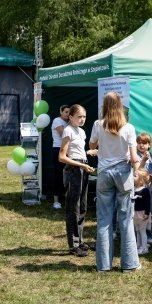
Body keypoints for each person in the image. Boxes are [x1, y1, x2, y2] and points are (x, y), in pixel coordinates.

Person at [89, 92, 141, 273]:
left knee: (104, 219)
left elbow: (92, 146)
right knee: (125, 219)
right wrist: (137, 171)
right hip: (123, 173)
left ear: (104, 105)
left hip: (104, 173)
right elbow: (134, 156)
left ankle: (103, 265)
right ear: (120, 105)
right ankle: (129, 264)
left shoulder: (98, 124)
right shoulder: (128, 127)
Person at [58, 105, 96, 257]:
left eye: (84, 117)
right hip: (74, 170)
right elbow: (62, 156)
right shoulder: (68, 130)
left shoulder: (81, 131)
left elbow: (78, 151)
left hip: (82, 168)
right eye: (79, 116)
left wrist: (89, 152)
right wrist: (82, 165)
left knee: (82, 206)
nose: (82, 119)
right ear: (71, 116)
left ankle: (79, 240)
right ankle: (73, 244)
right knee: (73, 208)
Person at [136, 132, 152, 245]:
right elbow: (138, 171)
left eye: (144, 143)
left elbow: (151, 172)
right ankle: (139, 236)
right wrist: (144, 161)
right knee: (141, 212)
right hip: (141, 189)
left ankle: (148, 235)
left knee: (149, 211)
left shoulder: (150, 155)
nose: (141, 145)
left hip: (150, 187)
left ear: (149, 145)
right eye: (139, 143)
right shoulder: (136, 156)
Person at [51, 104, 70, 209]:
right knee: (58, 175)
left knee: (69, 174)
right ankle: (56, 201)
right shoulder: (57, 121)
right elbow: (64, 135)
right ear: (61, 112)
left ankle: (68, 197)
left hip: (68, 150)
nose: (68, 114)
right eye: (66, 112)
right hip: (58, 149)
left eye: (69, 112)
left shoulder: (67, 123)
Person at [133, 168, 152, 255]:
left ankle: (144, 248)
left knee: (142, 231)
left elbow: (147, 203)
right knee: (137, 231)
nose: (132, 177)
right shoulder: (133, 189)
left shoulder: (144, 190)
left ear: (141, 180)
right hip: (135, 213)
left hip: (142, 214)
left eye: (135, 176)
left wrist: (147, 213)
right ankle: (138, 246)